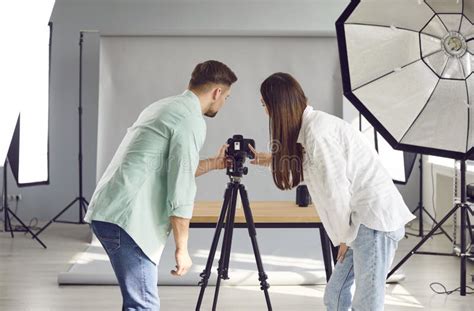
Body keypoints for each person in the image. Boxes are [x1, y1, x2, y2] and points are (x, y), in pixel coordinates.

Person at [249, 72, 415, 311]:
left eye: (264, 104)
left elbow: (335, 193)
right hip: (359, 224)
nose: (264, 111)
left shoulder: (318, 133)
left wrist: (343, 239)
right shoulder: (311, 129)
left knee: (366, 304)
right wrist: (267, 160)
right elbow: (311, 170)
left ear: (278, 105)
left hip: (374, 222)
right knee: (334, 295)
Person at [84, 60, 237, 310]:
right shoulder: (191, 120)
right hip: (128, 220)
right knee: (143, 305)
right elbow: (181, 188)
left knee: (138, 303)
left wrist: (214, 163)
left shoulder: (164, 107)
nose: (223, 103)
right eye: (227, 97)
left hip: (111, 211)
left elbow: (169, 168)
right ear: (217, 92)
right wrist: (182, 248)